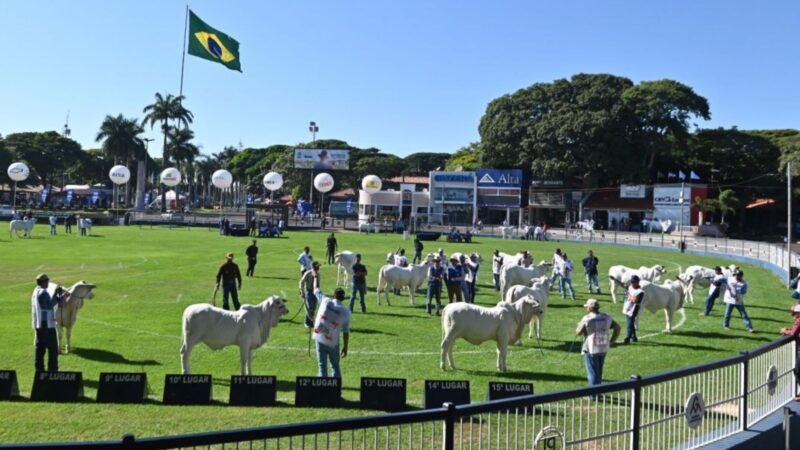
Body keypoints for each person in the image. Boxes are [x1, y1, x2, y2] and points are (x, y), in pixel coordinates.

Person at [576, 298, 621, 393]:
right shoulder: (606, 317)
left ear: (590, 308)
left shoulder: (587, 318)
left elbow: (578, 333)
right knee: (599, 371)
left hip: (591, 348)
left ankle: (593, 394)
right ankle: (598, 391)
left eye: (587, 307)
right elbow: (618, 327)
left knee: (592, 372)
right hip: (604, 346)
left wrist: (579, 325)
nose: (586, 309)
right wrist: (612, 341)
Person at [312, 287, 350, 378]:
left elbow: (316, 290)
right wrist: (345, 347)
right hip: (333, 342)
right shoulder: (346, 313)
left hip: (320, 338)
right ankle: (336, 390)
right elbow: (346, 332)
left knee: (322, 366)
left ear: (334, 295)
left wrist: (315, 276)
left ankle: (322, 390)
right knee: (335, 367)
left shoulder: (326, 301)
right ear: (343, 298)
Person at [31, 274, 66, 372]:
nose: (48, 283)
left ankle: (39, 371)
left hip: (40, 325)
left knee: (40, 349)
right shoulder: (43, 293)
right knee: (52, 350)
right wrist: (58, 295)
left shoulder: (37, 292)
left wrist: (56, 295)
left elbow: (48, 305)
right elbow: (48, 306)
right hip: (46, 325)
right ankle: (53, 371)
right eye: (47, 281)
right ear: (43, 282)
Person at [623, 275, 644, 344]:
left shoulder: (640, 292)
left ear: (638, 282)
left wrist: (628, 295)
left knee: (629, 325)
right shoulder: (630, 287)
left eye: (633, 282)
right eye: (631, 282)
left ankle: (627, 338)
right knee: (631, 324)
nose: (632, 283)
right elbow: (626, 290)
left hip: (634, 310)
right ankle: (634, 337)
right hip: (627, 308)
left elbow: (637, 301)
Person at [300, 261, 321, 327]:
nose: (318, 268)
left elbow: (318, 284)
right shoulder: (308, 273)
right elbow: (301, 282)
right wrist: (302, 291)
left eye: (318, 267)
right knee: (309, 307)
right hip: (308, 292)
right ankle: (307, 322)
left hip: (315, 293)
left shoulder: (318, 274)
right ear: (313, 267)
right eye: (317, 266)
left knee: (314, 308)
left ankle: (311, 322)